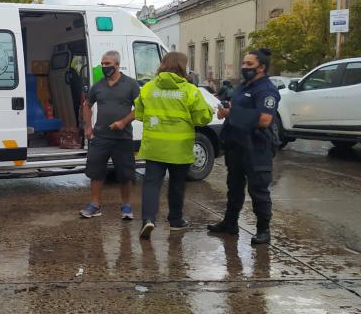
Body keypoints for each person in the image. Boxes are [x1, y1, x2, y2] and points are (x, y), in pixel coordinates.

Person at [135, 52, 213, 239]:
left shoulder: (148, 87)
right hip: (179, 147)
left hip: (154, 146)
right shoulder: (189, 90)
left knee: (152, 183)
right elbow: (203, 118)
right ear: (182, 67)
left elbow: (139, 114)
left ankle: (148, 220)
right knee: (177, 184)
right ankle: (176, 221)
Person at [208, 48, 280, 245]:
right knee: (234, 187)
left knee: (258, 189)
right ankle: (230, 223)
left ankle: (263, 230)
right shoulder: (243, 86)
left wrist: (232, 114)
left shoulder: (266, 90)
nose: (244, 67)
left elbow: (264, 120)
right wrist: (226, 111)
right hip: (236, 145)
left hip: (256, 147)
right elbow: (236, 109)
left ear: (261, 67)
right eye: (244, 63)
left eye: (249, 64)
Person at [80, 50, 140, 219]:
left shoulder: (131, 84)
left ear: (117, 65)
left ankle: (126, 206)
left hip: (123, 138)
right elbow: (87, 105)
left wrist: (123, 122)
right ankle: (95, 205)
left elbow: (140, 108)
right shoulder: (98, 85)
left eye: (107, 64)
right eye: (103, 64)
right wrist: (88, 128)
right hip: (101, 137)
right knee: (95, 172)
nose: (104, 67)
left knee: (125, 174)